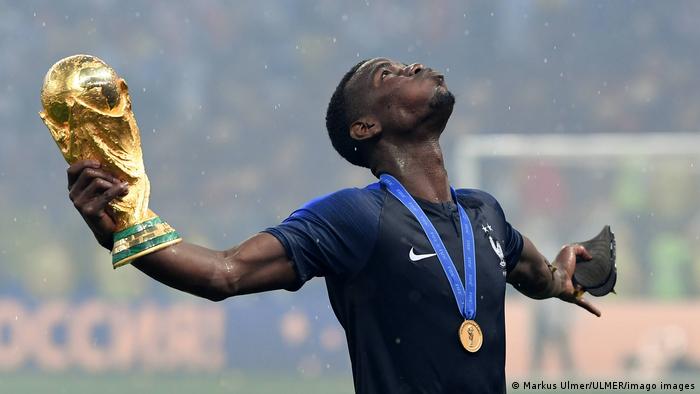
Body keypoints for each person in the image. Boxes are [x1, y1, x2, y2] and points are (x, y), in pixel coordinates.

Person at [66, 58, 600, 393]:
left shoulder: (485, 214)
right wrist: (122, 231)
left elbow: (537, 275)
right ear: (366, 126)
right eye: (388, 74)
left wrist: (566, 274)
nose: (414, 66)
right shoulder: (356, 217)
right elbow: (224, 273)